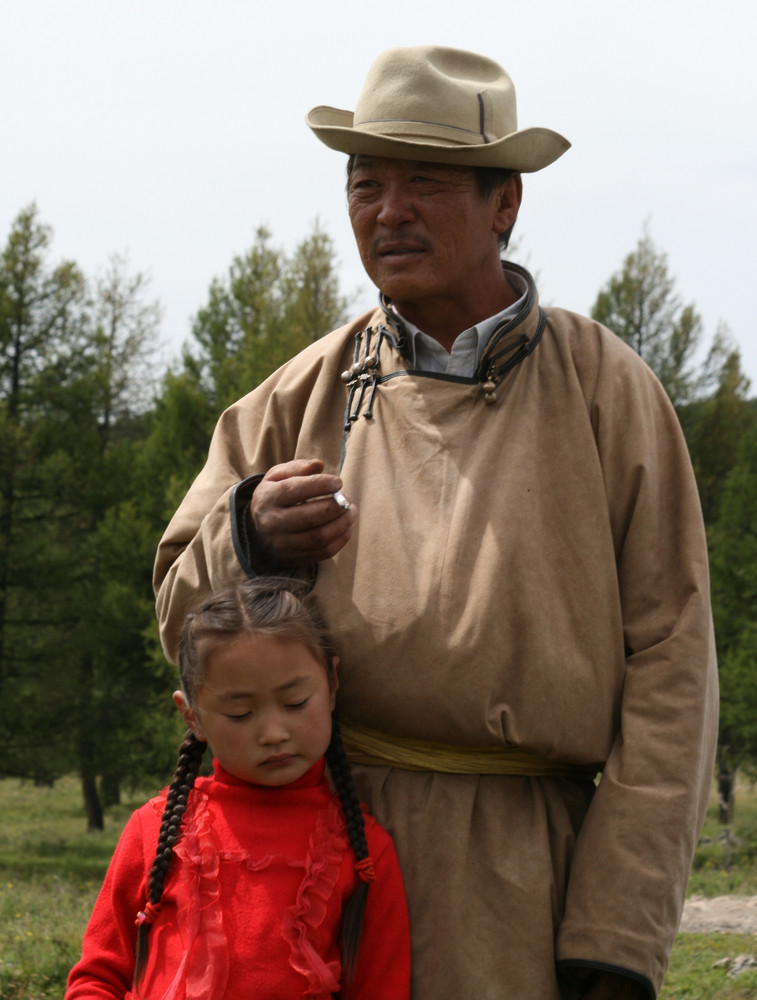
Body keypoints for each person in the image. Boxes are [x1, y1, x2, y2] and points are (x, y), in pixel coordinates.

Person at [153, 45, 719, 1000]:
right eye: (364, 183)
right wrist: (248, 539)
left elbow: (673, 663)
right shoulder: (299, 394)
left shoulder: (603, 388)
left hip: (521, 878)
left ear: (505, 203)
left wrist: (616, 932)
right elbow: (180, 618)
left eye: (424, 181)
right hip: (309, 858)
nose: (387, 211)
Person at [66, 578, 411, 1000]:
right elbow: (97, 978)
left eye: (296, 703)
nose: (273, 732)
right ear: (191, 716)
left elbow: (382, 990)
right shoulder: (153, 831)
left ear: (332, 684)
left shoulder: (363, 853)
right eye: (240, 713)